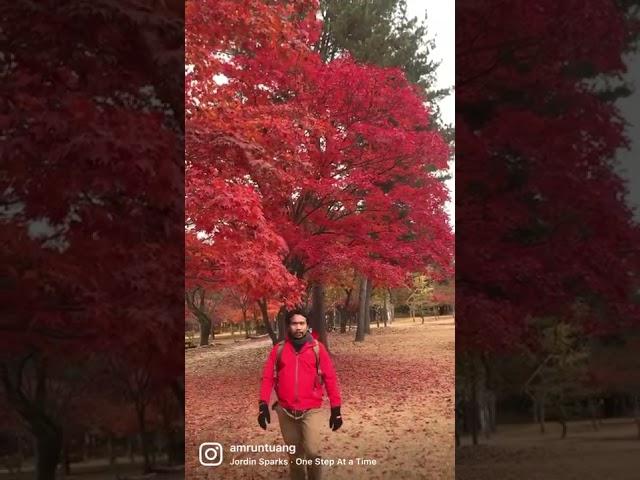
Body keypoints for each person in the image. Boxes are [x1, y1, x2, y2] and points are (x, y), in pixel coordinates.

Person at [258, 309, 343, 480]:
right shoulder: (278, 350)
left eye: (302, 323)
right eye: (294, 323)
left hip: (311, 409)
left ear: (307, 326)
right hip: (286, 411)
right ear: (288, 326)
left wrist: (336, 409)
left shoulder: (318, 349)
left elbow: (330, 378)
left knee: (313, 452)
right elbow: (268, 378)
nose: (298, 327)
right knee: (294, 454)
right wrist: (262, 405)